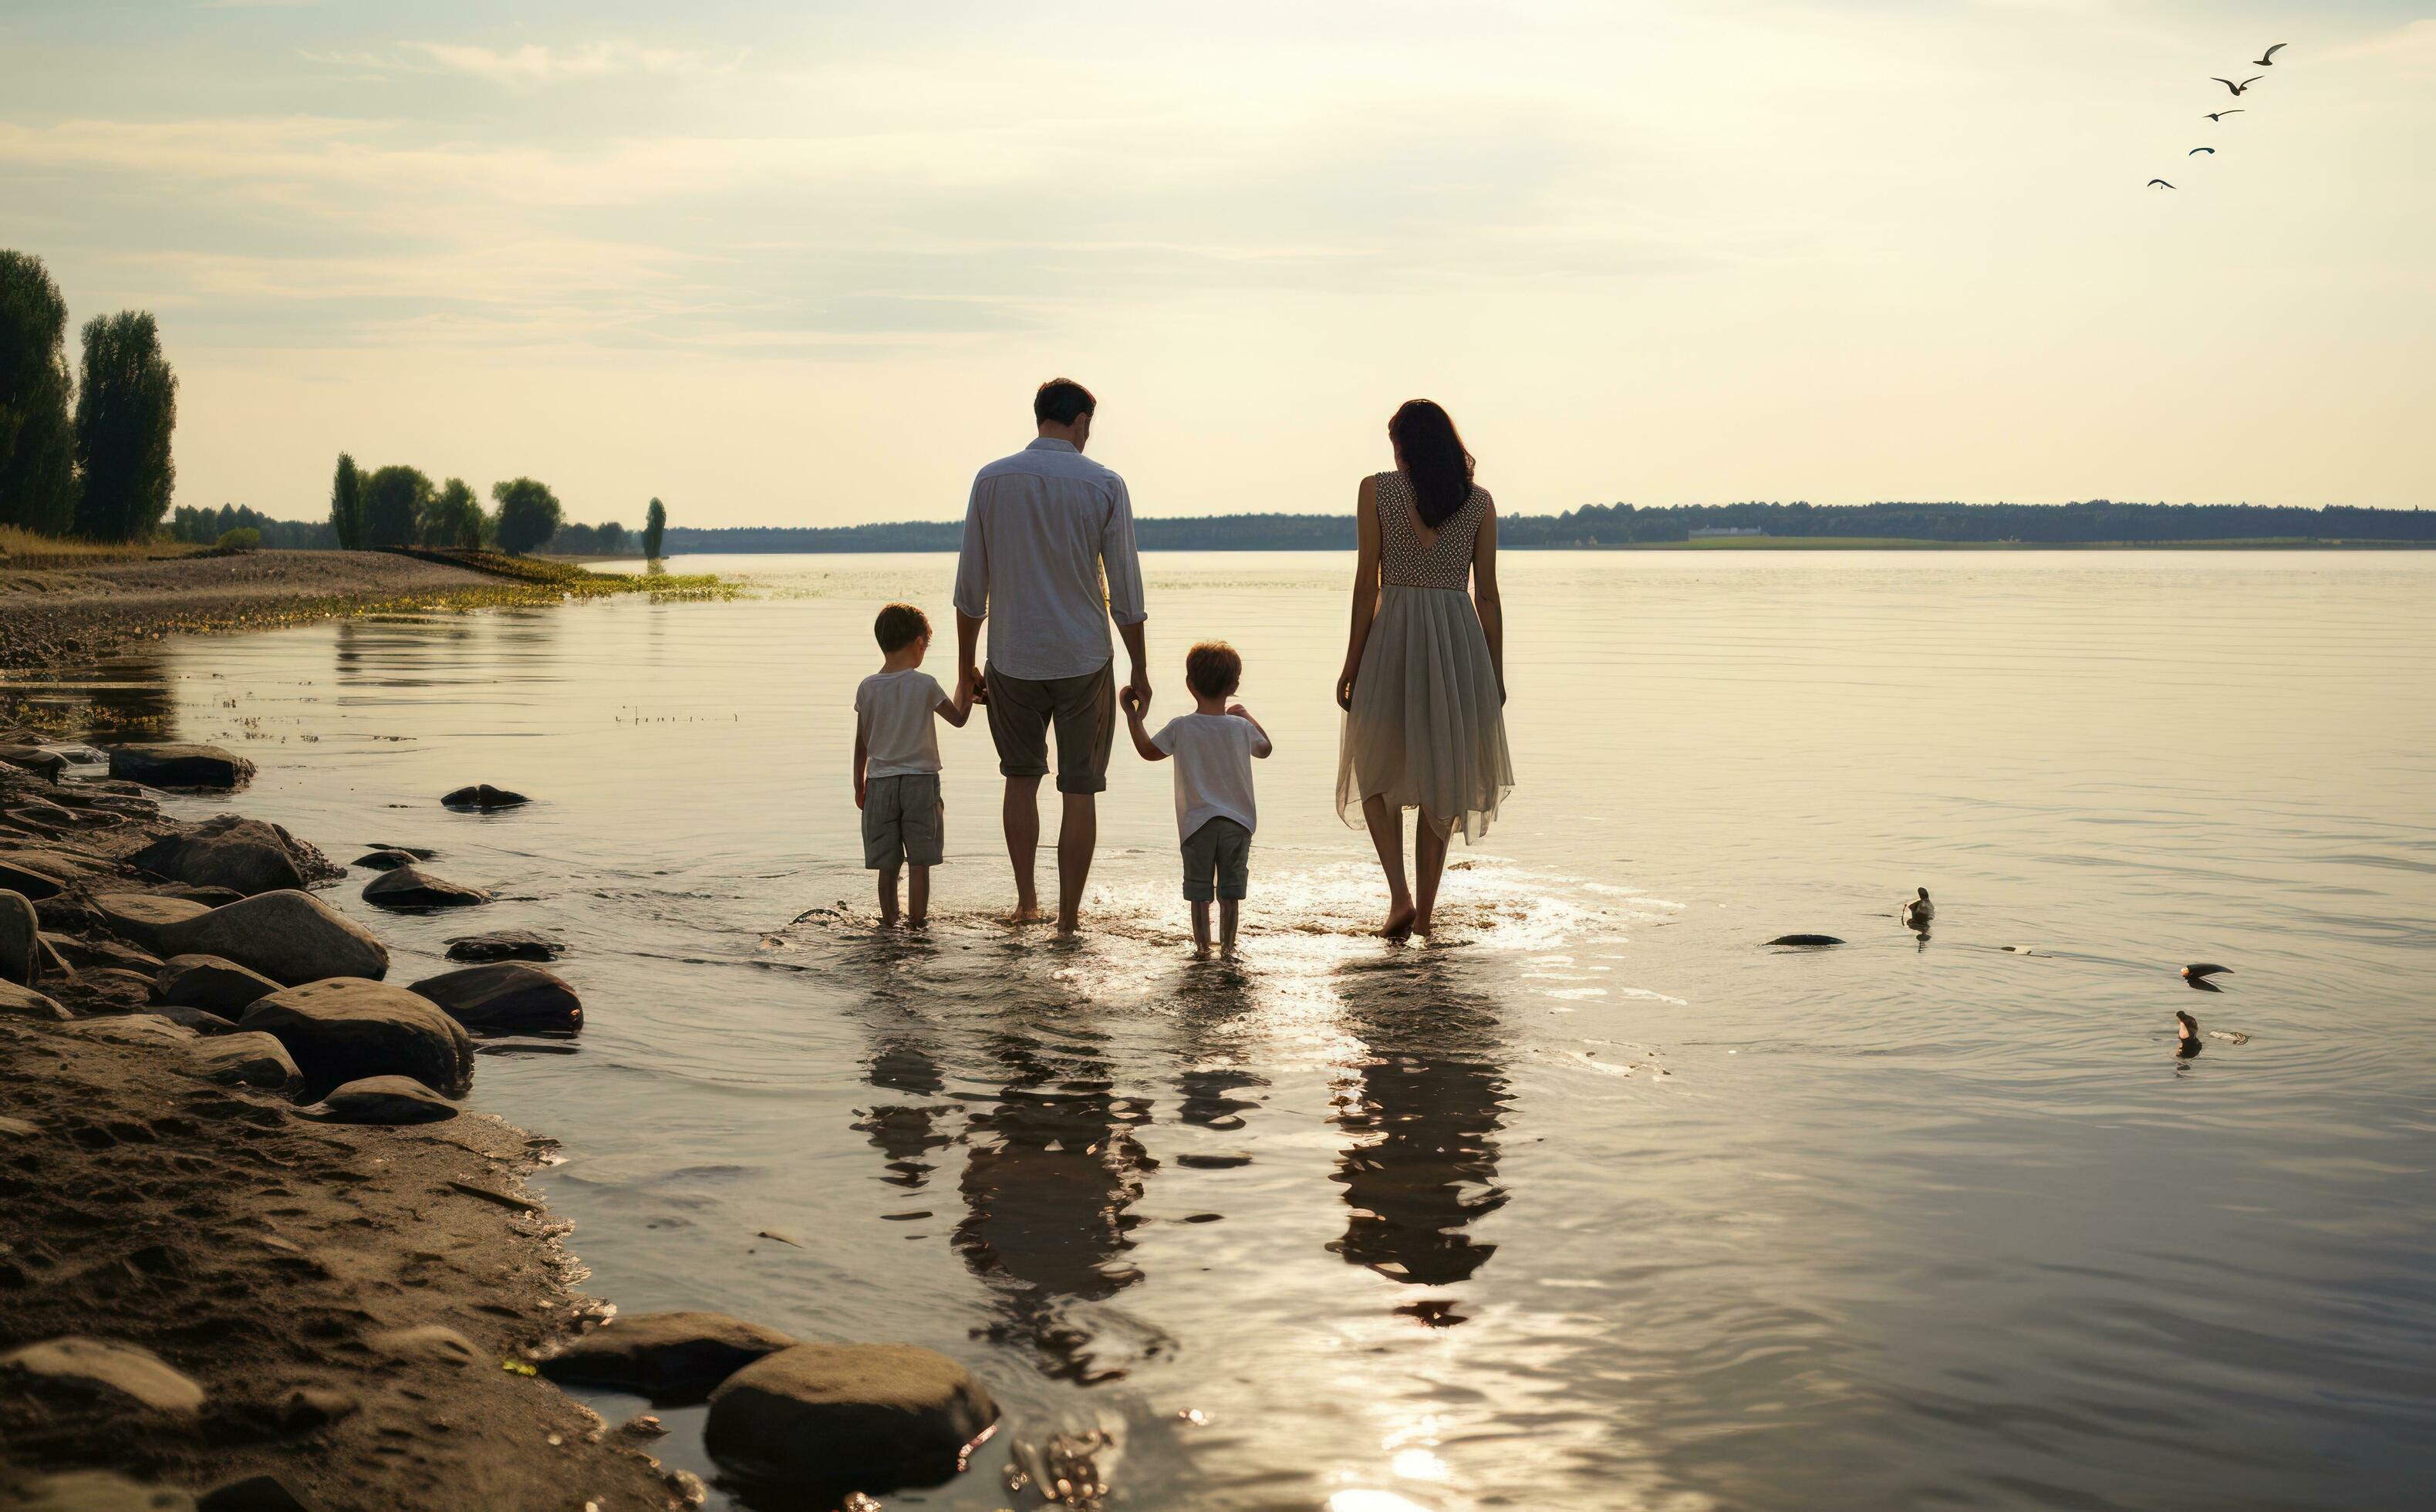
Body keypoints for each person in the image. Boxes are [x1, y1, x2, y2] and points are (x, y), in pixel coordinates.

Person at [953, 378, 1150, 933]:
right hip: (1084, 658)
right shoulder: (1104, 484)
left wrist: (966, 665)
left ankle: (1025, 903)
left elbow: (972, 588)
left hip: (1012, 655)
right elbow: (1127, 593)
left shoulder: (991, 480)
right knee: (1080, 788)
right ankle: (1067, 919)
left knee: (1020, 779)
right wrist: (1139, 667)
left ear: (1040, 416)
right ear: (1082, 422)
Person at [1336, 399, 1514, 939]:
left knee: (1374, 766)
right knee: (1442, 779)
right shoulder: (1479, 503)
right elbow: (1487, 595)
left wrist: (1351, 661)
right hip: (1459, 645)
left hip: (1392, 638)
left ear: (1405, 446)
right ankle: (1428, 920)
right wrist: (1496, 672)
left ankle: (1400, 898)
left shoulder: (1376, 490)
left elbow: (1367, 582)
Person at [1123, 641, 1272, 958]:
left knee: (1199, 893)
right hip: (1237, 823)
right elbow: (1266, 748)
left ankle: (1203, 949)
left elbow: (1149, 752)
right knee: (1230, 893)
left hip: (1197, 824)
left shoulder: (1182, 726)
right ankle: (1229, 949)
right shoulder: (1240, 726)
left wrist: (1133, 718)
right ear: (1234, 686)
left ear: (1190, 684)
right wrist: (1247, 714)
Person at [852, 602, 972, 927]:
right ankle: (918, 926)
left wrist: (858, 783)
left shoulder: (868, 687)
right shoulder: (925, 684)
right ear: (919, 644)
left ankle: (889, 924)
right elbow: (958, 718)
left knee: (887, 866)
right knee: (920, 863)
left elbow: (862, 740)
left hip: (879, 784)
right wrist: (969, 686)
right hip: (920, 783)